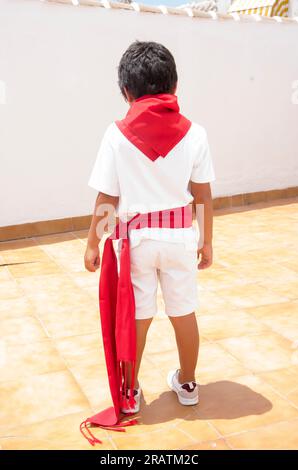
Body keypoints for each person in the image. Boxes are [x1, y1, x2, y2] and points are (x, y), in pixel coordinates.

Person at [84, 40, 215, 415]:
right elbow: (203, 196)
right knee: (183, 310)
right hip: (180, 239)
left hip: (137, 242)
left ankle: (130, 389)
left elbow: (107, 199)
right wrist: (206, 242)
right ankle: (188, 383)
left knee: (138, 314)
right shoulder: (196, 133)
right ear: (174, 86)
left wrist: (93, 243)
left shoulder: (116, 134)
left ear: (126, 92)